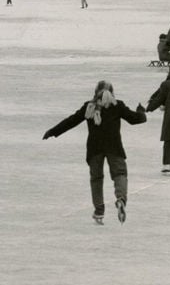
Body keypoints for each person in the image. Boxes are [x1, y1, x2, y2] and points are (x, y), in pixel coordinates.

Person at [42, 81, 147, 225]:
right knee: (120, 174)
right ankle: (121, 199)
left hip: (94, 148)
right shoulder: (117, 105)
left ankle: (99, 210)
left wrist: (53, 132)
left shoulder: (89, 107)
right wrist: (141, 111)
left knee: (96, 179)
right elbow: (137, 120)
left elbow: (71, 121)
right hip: (114, 147)